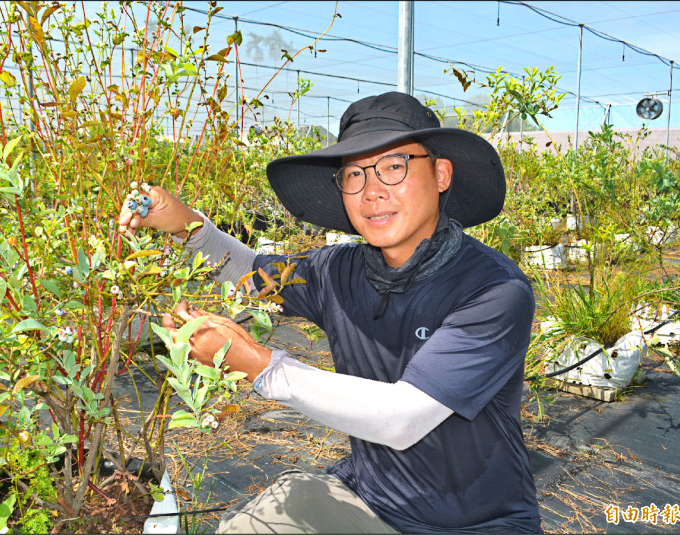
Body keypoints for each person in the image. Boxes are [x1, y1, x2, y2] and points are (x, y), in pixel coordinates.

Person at [119, 91, 542, 533]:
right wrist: (187, 225)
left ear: (440, 173)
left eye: (394, 166)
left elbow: (403, 418)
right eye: (354, 174)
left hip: (475, 524)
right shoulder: (338, 270)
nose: (373, 191)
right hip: (371, 500)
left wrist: (256, 364)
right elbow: (249, 273)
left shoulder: (493, 289)